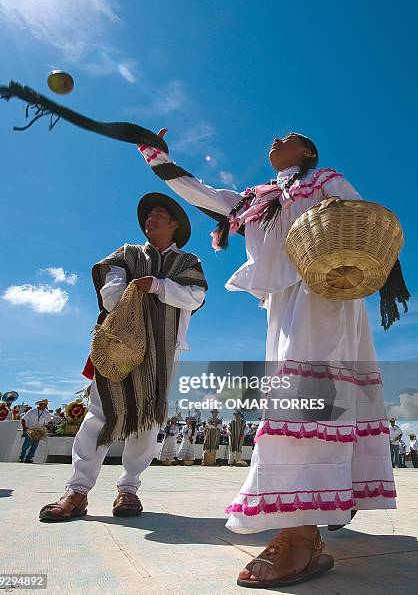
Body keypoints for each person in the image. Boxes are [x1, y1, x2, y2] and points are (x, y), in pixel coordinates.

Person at [137, 131, 397, 588]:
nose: (279, 137)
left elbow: (363, 223)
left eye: (292, 136)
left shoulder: (324, 180)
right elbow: (200, 191)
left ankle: (301, 535)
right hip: (283, 304)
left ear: (309, 153)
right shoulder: (255, 199)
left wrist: (383, 275)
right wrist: (156, 157)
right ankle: (325, 501)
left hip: (325, 294)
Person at [39, 193, 207, 522]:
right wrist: (133, 294)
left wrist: (157, 286)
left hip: (162, 350)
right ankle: (77, 491)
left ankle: (129, 488)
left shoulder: (188, 263)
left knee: (147, 416)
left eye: (159, 214)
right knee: (100, 413)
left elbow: (195, 296)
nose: (150, 219)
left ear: (175, 224)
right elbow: (111, 291)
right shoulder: (127, 253)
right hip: (118, 344)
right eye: (148, 216)